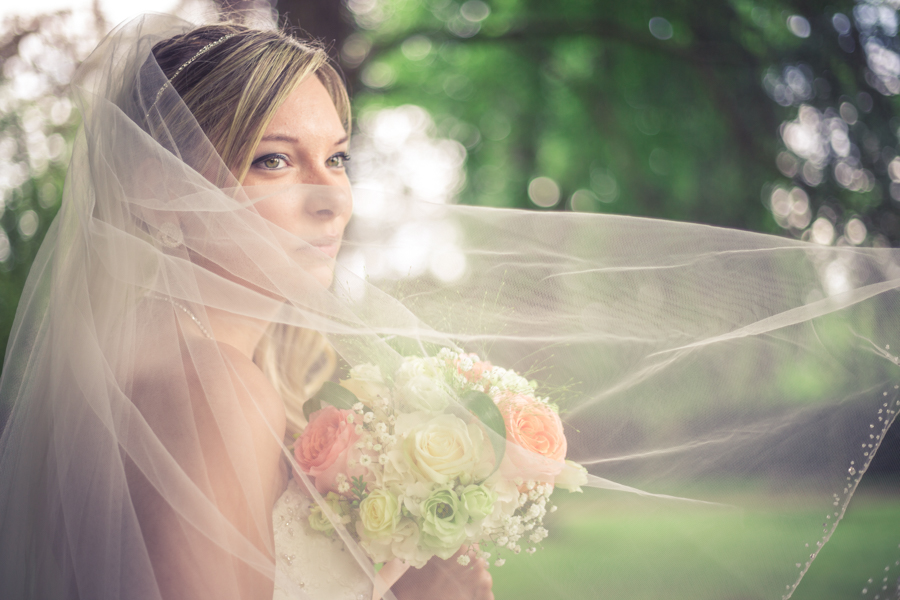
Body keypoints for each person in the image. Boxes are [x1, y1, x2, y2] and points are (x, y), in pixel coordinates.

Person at [0, 12, 898, 600]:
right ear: (159, 192)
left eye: (337, 157)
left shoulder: (206, 368)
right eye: (273, 160)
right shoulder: (205, 383)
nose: (329, 196)